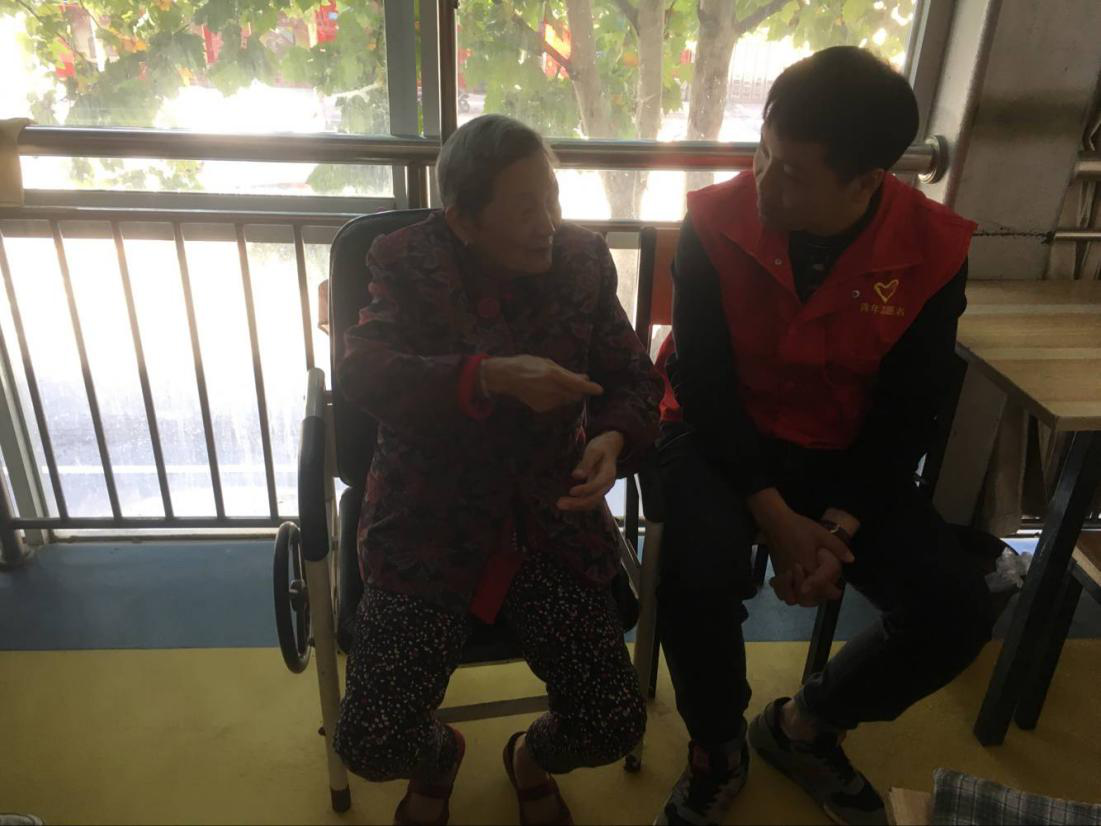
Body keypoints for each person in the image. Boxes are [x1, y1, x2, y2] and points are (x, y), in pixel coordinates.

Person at [653, 47, 995, 826]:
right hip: (718, 433)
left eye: (790, 173)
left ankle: (804, 725)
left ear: (866, 180)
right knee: (692, 575)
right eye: (761, 154)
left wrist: (837, 528)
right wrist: (777, 520)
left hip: (843, 449)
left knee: (956, 610)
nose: (761, 185)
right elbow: (702, 384)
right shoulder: (712, 221)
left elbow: (908, 409)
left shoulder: (931, 249)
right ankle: (716, 748)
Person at [332, 114, 663, 826]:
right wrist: (487, 377)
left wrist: (612, 439)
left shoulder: (583, 261)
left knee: (612, 721)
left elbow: (633, 378)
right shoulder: (405, 260)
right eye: (524, 208)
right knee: (371, 741)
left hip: (549, 519)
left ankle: (530, 758)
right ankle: (438, 755)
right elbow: (362, 370)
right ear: (462, 219)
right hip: (429, 521)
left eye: (552, 197)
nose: (548, 224)